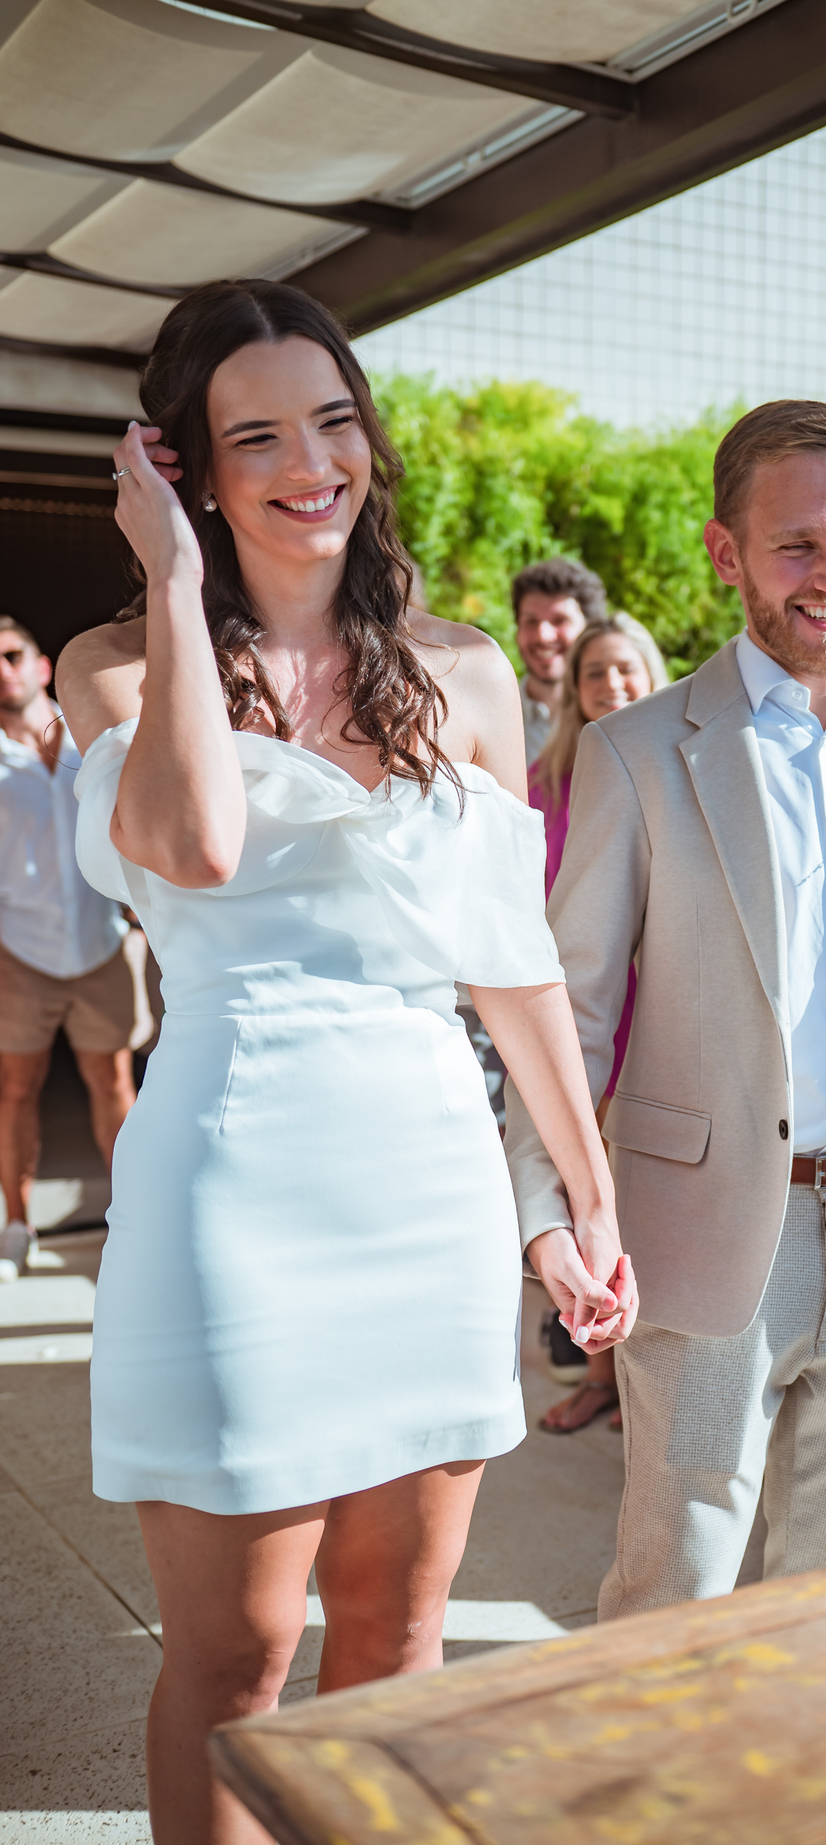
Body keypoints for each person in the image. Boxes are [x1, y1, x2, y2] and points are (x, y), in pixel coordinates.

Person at [56, 278, 635, 1845]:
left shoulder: (467, 671)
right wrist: (177, 581)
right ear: (181, 466)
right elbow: (195, 839)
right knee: (239, 1660)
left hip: (428, 1180)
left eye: (332, 422)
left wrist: (582, 1199)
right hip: (229, 1180)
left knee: (398, 1639)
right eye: (255, 437)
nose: (311, 464)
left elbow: (512, 960)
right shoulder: (118, 661)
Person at [504, 400, 826, 1615]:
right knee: (674, 1588)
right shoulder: (636, 750)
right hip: (695, 1231)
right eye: (798, 545)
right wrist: (549, 1212)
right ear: (725, 552)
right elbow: (572, 1012)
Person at [528, 614, 669, 1433]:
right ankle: (597, 1370)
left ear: (652, 673)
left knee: (648, 1196)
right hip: (577, 1011)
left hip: (660, 1011)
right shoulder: (547, 779)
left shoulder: (683, 763)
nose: (612, 685)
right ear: (574, 691)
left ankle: (647, 1380)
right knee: (587, 1188)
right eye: (595, 673)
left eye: (626, 669)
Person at [0, 615, 137, 1278]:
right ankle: (16, 1226)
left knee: (113, 1081)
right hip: (19, 951)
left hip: (98, 941)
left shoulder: (91, 731)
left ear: (42, 665)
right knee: (16, 1089)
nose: (3, 670)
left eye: (11, 655)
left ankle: (134, 1218)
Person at [511, 558, 607, 767]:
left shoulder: (612, 713)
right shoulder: (495, 717)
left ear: (590, 629)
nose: (544, 635)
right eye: (531, 621)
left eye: (560, 620)